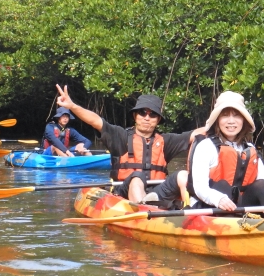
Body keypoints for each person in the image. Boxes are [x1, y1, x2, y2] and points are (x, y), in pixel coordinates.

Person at [55, 84, 204, 208]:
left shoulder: (166, 141)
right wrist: (72, 106)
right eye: (142, 113)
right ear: (135, 116)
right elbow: (95, 121)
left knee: (183, 175)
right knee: (137, 176)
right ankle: (143, 209)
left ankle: (189, 211)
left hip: (157, 193)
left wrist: (223, 120)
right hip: (124, 192)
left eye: (152, 115)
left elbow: (196, 133)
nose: (147, 117)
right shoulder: (120, 136)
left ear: (158, 119)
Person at [187, 91, 264, 216]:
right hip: (210, 206)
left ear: (243, 120)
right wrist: (219, 199)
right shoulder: (205, 147)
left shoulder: (249, 148)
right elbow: (200, 187)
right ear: (217, 120)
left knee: (261, 184)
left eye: (237, 116)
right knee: (222, 185)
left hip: (238, 208)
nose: (231, 121)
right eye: (225, 116)